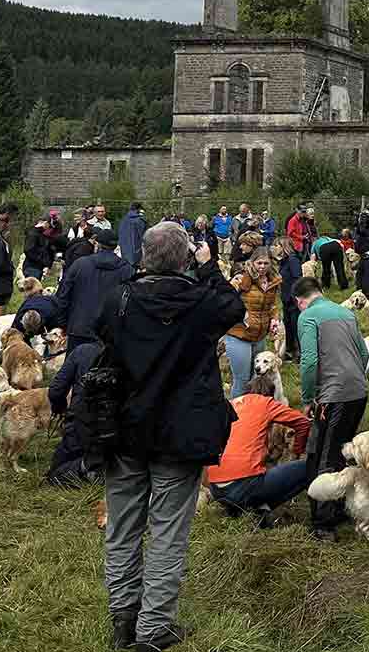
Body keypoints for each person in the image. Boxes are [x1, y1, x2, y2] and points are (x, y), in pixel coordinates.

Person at [97, 223, 241, 652]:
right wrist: (209, 266)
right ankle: (153, 628)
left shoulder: (120, 298)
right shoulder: (199, 303)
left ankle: (125, 617)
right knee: (167, 531)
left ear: (143, 256)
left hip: (124, 426)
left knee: (123, 527)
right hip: (180, 430)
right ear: (184, 259)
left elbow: (101, 333)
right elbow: (233, 307)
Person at [294, 276, 369, 541]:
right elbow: (365, 354)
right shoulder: (345, 312)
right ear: (321, 292)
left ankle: (324, 522)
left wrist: (307, 397)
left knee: (324, 455)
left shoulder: (307, 317)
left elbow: (309, 361)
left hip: (332, 396)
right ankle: (343, 505)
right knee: (343, 451)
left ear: (299, 301)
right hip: (359, 392)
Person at [205, 375, 311, 523]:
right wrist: (297, 451)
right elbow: (303, 422)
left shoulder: (230, 404)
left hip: (215, 487)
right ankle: (263, 509)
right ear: (271, 395)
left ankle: (239, 509)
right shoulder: (266, 403)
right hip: (242, 485)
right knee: (310, 467)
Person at [55, 229, 133, 345]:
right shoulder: (127, 270)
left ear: (96, 243)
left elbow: (63, 295)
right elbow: (130, 303)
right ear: (116, 246)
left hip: (79, 328)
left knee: (76, 362)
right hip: (109, 333)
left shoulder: (80, 264)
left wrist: (63, 324)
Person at [225, 249, 282, 398]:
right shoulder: (242, 278)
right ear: (252, 262)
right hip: (239, 334)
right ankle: (236, 417)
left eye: (266, 263)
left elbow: (272, 305)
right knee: (242, 380)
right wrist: (240, 313)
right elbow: (224, 299)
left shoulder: (273, 281)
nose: (262, 267)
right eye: (259, 263)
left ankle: (253, 415)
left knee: (257, 378)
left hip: (260, 336)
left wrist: (274, 319)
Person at [270, 239, 302, 362]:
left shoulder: (293, 260)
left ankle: (300, 353)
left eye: (277, 245)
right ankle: (290, 351)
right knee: (288, 326)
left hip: (293, 300)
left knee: (295, 327)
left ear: (284, 246)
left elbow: (297, 278)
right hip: (286, 299)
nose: (275, 248)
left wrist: (293, 297)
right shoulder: (284, 261)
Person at [118, 203, 147, 269]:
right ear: (139, 209)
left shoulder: (123, 220)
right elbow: (144, 238)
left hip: (124, 255)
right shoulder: (140, 221)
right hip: (137, 256)